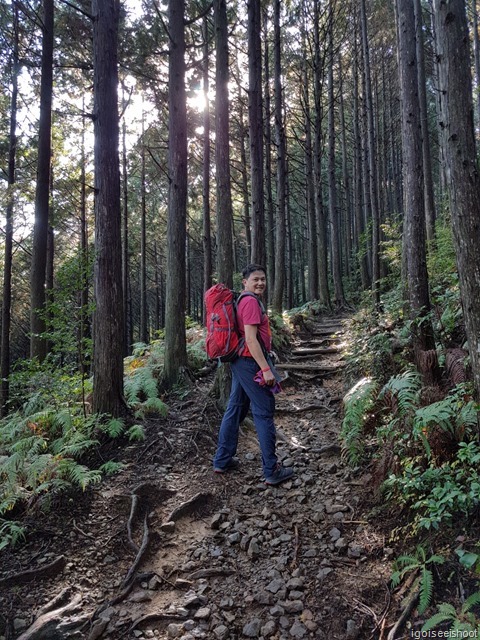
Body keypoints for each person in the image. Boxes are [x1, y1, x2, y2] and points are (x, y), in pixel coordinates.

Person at [213, 264, 294, 486]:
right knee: (264, 411)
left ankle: (222, 460)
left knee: (235, 408)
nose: (260, 283)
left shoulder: (245, 300)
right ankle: (271, 470)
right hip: (250, 362)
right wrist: (265, 369)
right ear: (245, 282)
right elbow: (250, 339)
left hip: (242, 361)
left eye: (263, 279)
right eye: (255, 279)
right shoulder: (249, 302)